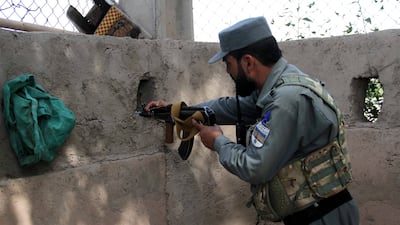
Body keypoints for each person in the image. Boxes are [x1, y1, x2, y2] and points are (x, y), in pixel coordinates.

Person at [145, 16, 359, 225]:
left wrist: (218, 142)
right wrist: (181, 111)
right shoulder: (280, 87)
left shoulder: (287, 100)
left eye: (228, 63)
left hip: (321, 217)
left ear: (248, 62)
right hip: (318, 212)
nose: (227, 70)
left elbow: (256, 168)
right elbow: (229, 107)